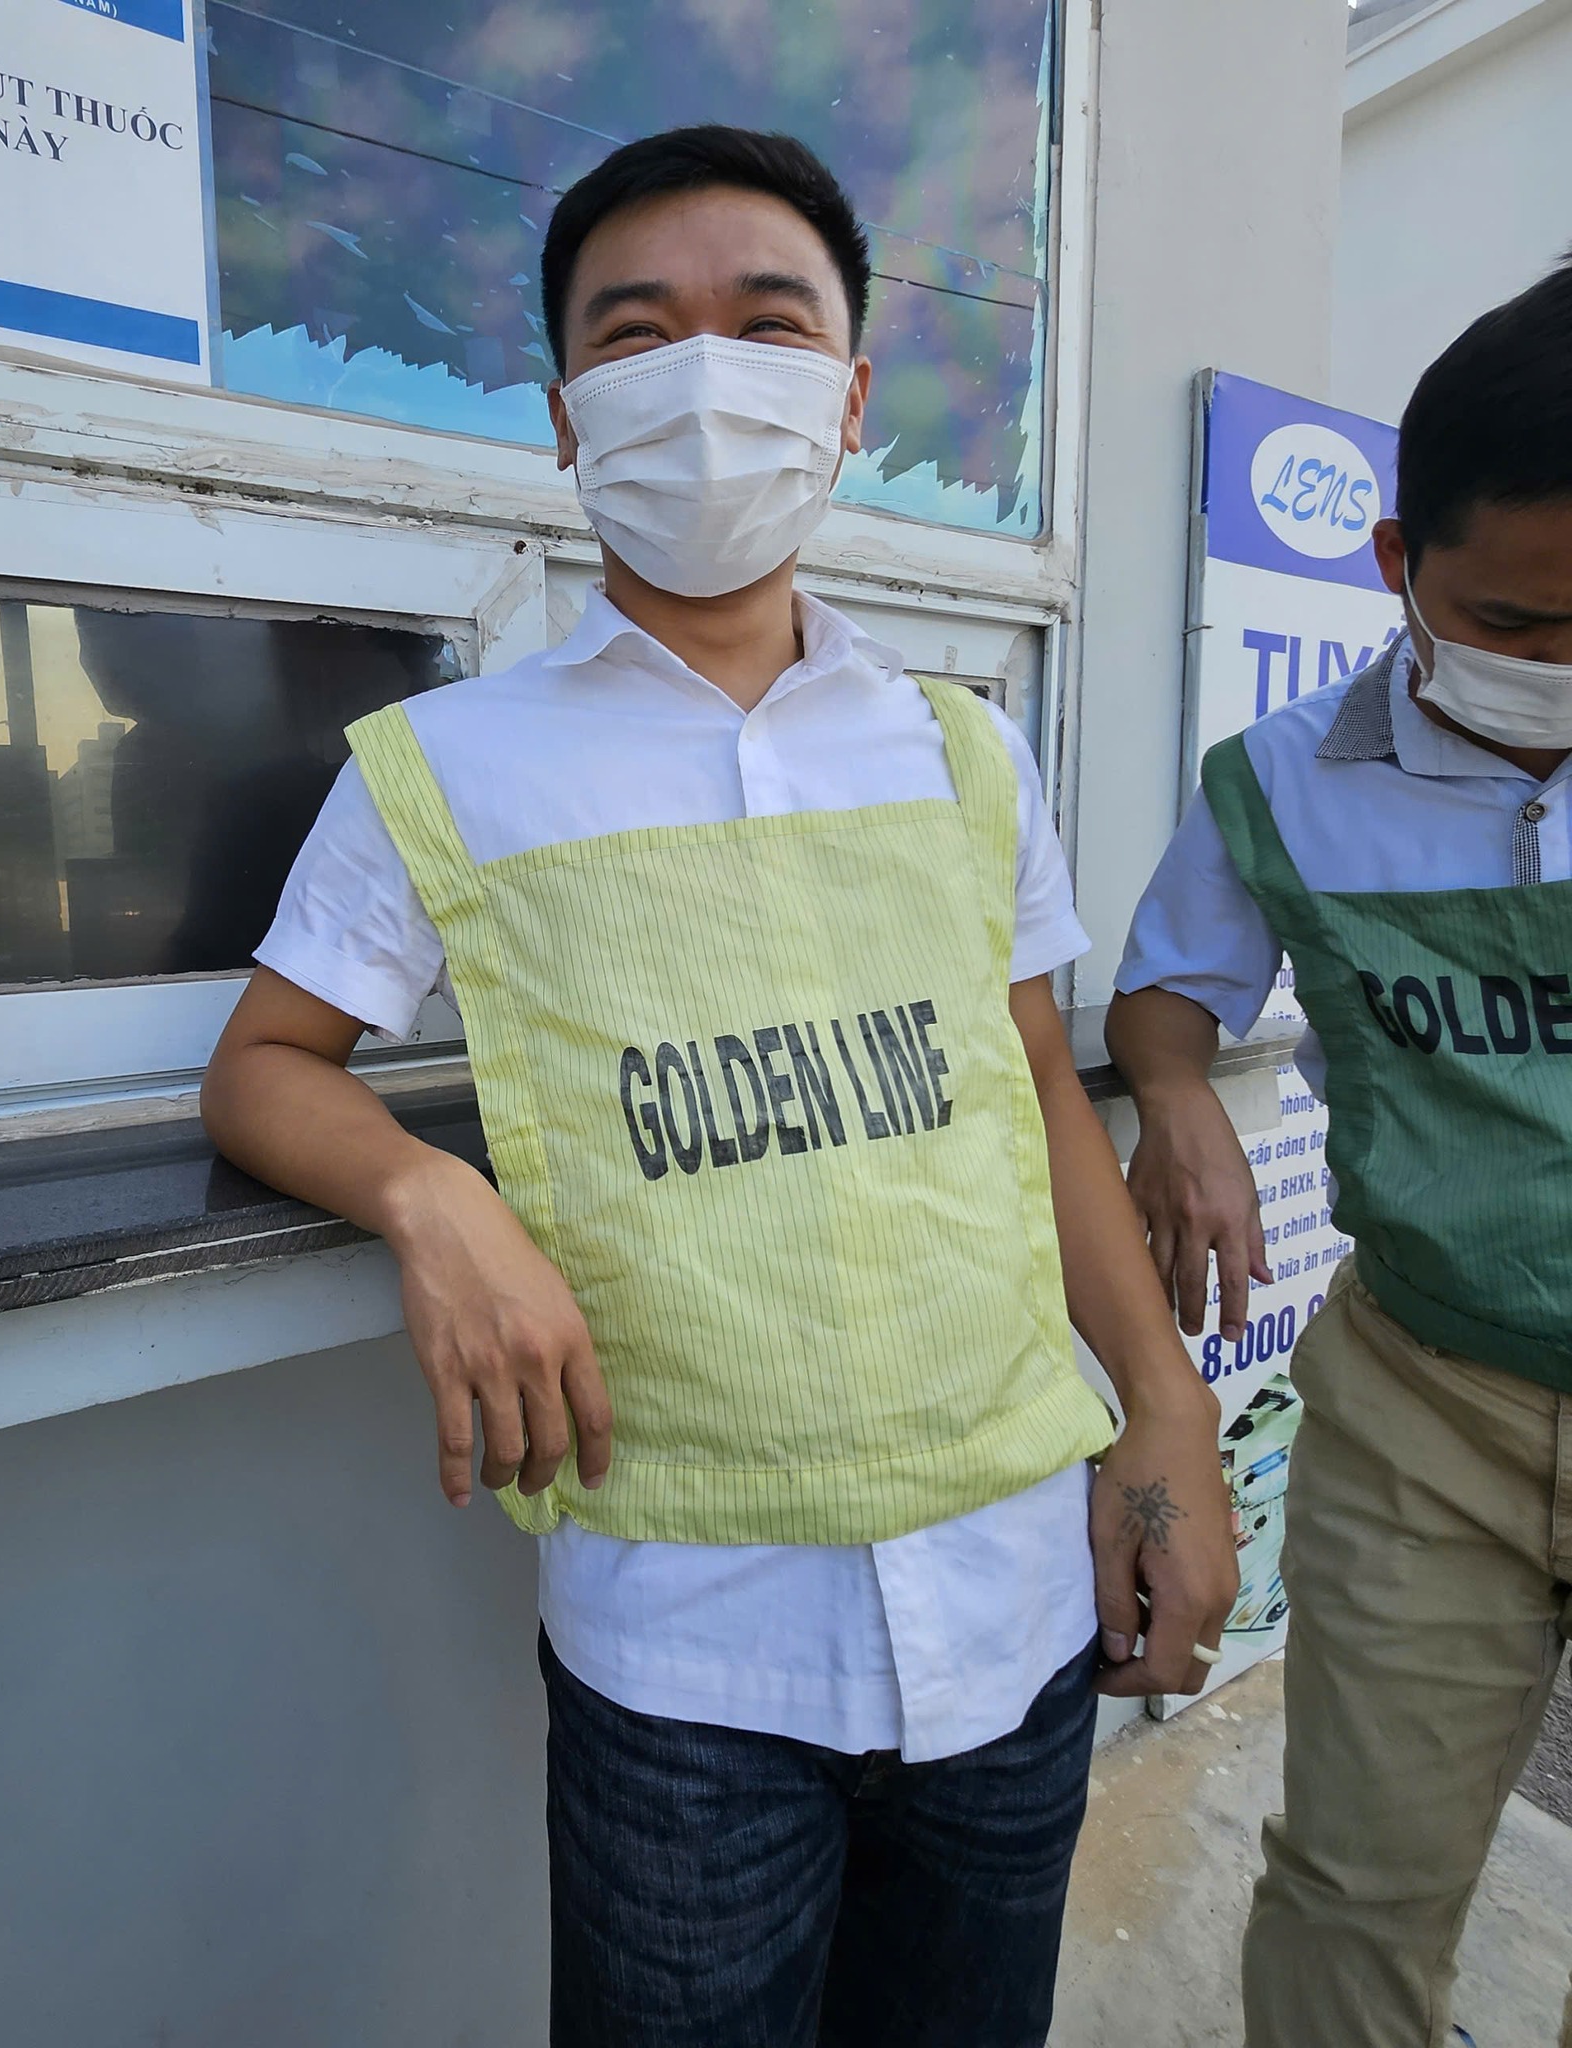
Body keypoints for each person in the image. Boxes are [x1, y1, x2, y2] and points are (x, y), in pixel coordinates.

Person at [206, 125, 1237, 2048]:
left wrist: (1161, 1414)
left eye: (767, 328)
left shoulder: (965, 752)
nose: (703, 378)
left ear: (846, 399)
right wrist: (437, 1200)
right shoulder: (450, 767)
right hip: (689, 1662)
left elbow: (1031, 1078)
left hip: (1013, 1604)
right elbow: (266, 1068)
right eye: (636, 333)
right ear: (565, 415)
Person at [1107, 260, 1572, 2048]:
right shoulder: (1285, 780)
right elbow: (1170, 989)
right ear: (1396, 564)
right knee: (1356, 1891)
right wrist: (1178, 1098)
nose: (1562, 667)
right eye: (1517, 621)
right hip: (1427, 1409)